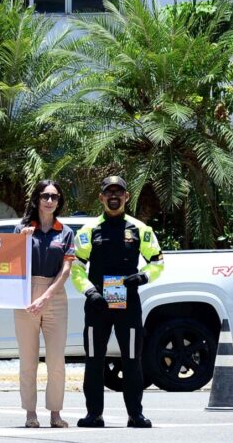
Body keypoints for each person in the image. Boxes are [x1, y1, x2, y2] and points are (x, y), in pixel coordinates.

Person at [71, 176, 164, 428]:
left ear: (126, 197)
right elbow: (76, 268)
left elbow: (157, 262)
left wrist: (142, 277)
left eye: (119, 192)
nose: (114, 196)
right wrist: (90, 292)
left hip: (129, 304)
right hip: (97, 304)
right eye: (108, 192)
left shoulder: (141, 230)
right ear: (101, 198)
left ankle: (136, 415)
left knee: (132, 358)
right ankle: (93, 415)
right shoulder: (88, 231)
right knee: (94, 359)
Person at [13, 180, 74, 428]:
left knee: (56, 361)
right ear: (37, 199)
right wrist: (22, 241)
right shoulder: (23, 229)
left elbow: (66, 269)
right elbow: (10, 265)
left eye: (55, 197)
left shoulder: (65, 232)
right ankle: (30, 413)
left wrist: (46, 297)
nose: (50, 201)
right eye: (45, 196)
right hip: (25, 295)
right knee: (28, 360)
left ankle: (55, 413)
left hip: (54, 295)